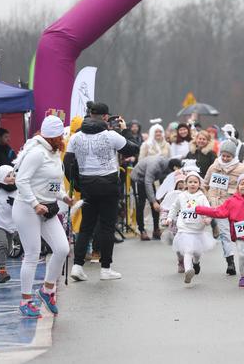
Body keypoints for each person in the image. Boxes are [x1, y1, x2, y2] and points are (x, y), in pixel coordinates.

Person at [65, 102, 139, 282]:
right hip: (108, 184)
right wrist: (125, 130)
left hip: (87, 184)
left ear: (90, 114)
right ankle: (105, 268)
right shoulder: (111, 135)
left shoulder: (76, 137)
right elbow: (133, 149)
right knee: (106, 227)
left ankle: (77, 266)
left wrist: (78, 186)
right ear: (106, 117)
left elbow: (67, 163)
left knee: (86, 227)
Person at [13, 116, 73, 317]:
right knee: (32, 254)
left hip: (47, 208)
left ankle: (47, 290)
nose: (63, 139)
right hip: (27, 207)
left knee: (62, 248)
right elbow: (21, 180)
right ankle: (25, 301)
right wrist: (34, 203)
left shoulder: (54, 152)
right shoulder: (37, 153)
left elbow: (53, 182)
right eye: (60, 136)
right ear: (53, 136)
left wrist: (64, 196)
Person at [204, 140, 244, 275]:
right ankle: (230, 262)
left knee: (240, 233)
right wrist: (208, 197)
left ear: (233, 156)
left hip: (236, 205)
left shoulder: (242, 168)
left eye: (228, 156)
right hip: (219, 204)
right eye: (223, 155)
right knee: (225, 234)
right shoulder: (214, 167)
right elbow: (205, 183)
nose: (224, 158)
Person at [165, 171, 214, 284]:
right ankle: (188, 271)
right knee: (188, 251)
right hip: (184, 229)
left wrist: (208, 219)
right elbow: (174, 207)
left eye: (195, 182)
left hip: (197, 230)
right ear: (186, 183)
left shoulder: (202, 197)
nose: (193, 184)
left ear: (199, 184)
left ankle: (196, 262)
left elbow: (208, 209)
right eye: (190, 182)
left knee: (197, 252)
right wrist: (170, 218)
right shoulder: (181, 196)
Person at [131, 155, 182, 240]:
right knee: (141, 204)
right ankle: (142, 230)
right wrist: (154, 201)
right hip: (138, 179)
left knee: (157, 204)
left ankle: (156, 230)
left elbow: (165, 184)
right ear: (173, 168)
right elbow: (148, 182)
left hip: (148, 180)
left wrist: (161, 199)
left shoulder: (168, 166)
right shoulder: (155, 165)